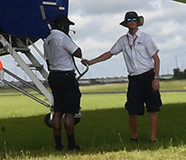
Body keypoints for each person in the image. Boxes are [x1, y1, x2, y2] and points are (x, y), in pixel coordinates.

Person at [86, 11, 162, 141]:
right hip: (134, 79)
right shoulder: (123, 40)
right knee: (132, 110)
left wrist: (156, 78)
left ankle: (153, 138)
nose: (131, 22)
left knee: (153, 108)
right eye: (129, 20)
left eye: (134, 19)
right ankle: (134, 136)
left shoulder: (145, 38)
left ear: (137, 22)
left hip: (148, 76)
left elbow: (156, 59)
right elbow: (110, 53)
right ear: (126, 23)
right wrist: (91, 62)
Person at [40, 14, 83, 150]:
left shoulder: (47, 40)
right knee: (69, 112)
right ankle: (71, 144)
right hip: (66, 75)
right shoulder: (62, 37)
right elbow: (78, 52)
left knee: (58, 110)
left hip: (54, 75)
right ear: (63, 25)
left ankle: (58, 144)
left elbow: (47, 60)